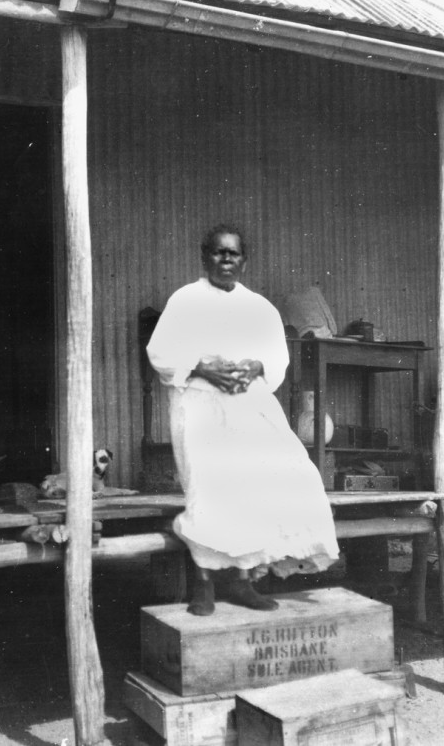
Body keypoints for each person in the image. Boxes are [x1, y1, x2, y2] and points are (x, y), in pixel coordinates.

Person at [145, 224, 340, 616]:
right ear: (205, 257)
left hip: (250, 406)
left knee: (273, 480)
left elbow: (277, 361)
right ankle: (203, 586)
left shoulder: (261, 308)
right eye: (218, 253)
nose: (226, 260)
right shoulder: (185, 300)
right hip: (200, 405)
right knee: (210, 489)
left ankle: (243, 581)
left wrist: (256, 365)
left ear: (244, 260)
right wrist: (203, 368)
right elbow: (161, 351)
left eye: (233, 254)